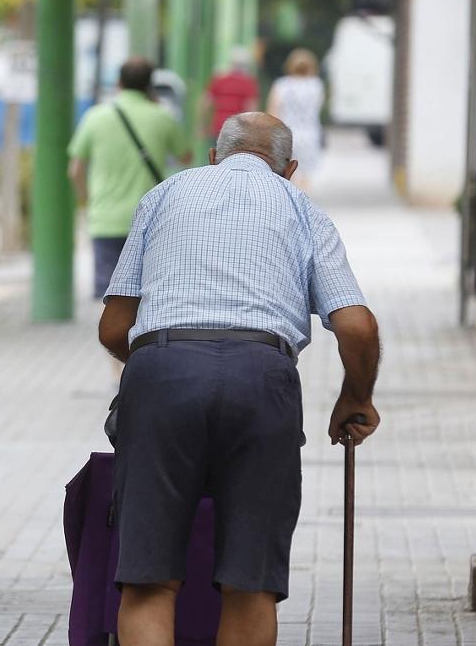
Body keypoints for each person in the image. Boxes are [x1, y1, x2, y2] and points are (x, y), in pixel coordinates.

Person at [97, 112, 381, 645]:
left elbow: (114, 327)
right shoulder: (301, 208)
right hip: (263, 377)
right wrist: (354, 397)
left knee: (149, 582)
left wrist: (161, 374)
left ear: (212, 155)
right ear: (289, 168)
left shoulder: (164, 195)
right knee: (250, 585)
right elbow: (357, 326)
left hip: (163, 368)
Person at [69, 57, 191, 300]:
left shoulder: (95, 117)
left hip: (105, 217)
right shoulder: (162, 117)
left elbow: (74, 170)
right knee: (145, 296)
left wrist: (86, 201)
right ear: (150, 86)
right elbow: (186, 157)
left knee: (108, 300)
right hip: (151, 220)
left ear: (119, 83)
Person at [267, 48, 325, 190]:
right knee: (306, 176)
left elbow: (273, 111)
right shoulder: (316, 85)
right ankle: (303, 204)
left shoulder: (282, 85)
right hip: (310, 134)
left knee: (288, 174)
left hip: (287, 134)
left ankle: (289, 206)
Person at [205, 47, 259, 146]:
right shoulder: (248, 82)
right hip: (237, 127)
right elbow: (251, 107)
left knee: (216, 155)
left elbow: (207, 103)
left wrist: (203, 124)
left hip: (219, 125)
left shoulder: (219, 79)